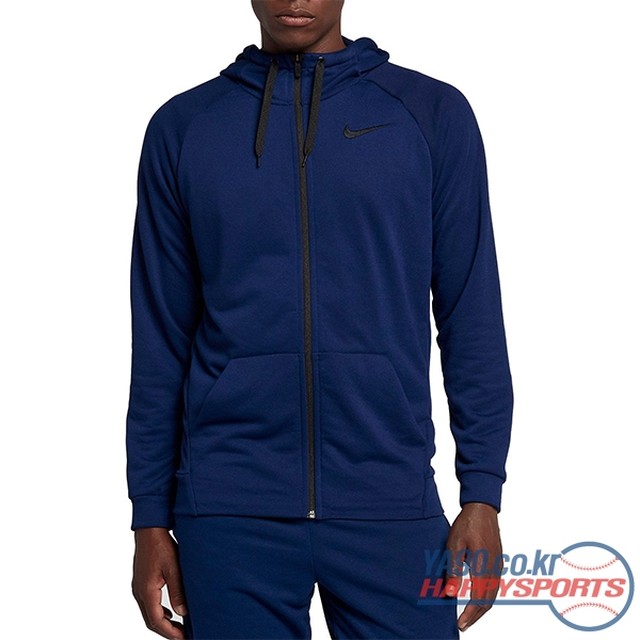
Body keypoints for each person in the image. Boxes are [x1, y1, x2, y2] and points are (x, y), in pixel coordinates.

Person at [126, 1, 514, 638]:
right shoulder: (185, 127)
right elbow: (160, 337)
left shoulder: (432, 114)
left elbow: (471, 313)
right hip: (229, 509)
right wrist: (149, 516)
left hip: (388, 497)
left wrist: (482, 492)